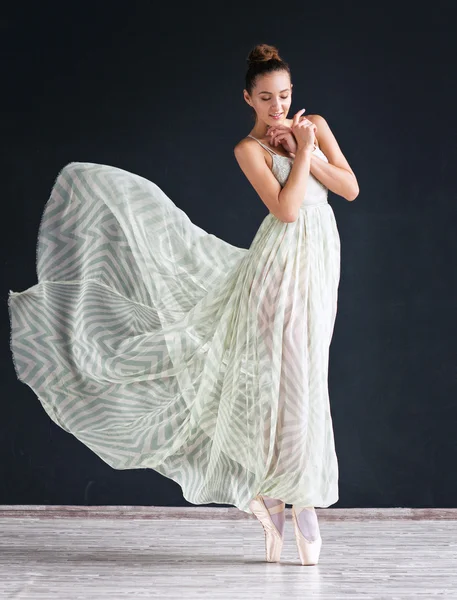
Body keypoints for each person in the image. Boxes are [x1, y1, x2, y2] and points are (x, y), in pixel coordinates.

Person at [8, 42, 358, 566]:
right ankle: (292, 498)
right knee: (282, 383)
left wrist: (308, 142)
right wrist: (301, 153)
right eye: (266, 98)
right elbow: (285, 211)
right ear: (248, 99)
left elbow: (349, 189)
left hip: (320, 267)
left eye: (284, 95)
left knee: (305, 378)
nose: (278, 106)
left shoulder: (315, 125)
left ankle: (280, 495)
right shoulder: (250, 149)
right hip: (277, 270)